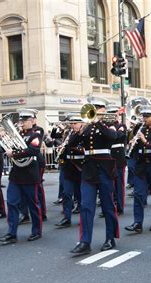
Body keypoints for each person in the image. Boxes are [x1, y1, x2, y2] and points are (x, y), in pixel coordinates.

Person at [69, 96, 119, 254]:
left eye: (97, 107)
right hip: (89, 169)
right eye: (93, 108)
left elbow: (112, 137)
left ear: (103, 109)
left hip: (105, 169)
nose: (95, 110)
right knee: (86, 206)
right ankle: (85, 241)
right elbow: (71, 145)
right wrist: (79, 131)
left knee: (107, 206)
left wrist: (97, 121)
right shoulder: (87, 127)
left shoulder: (111, 124)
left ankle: (110, 238)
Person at [0, 109, 44, 244]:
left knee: (33, 204)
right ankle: (11, 233)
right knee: (11, 203)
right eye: (20, 121)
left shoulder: (35, 135)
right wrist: (3, 137)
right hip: (16, 174)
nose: (21, 123)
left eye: (25, 121)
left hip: (30, 174)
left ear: (32, 121)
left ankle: (36, 231)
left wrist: (15, 154)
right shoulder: (15, 135)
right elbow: (3, 149)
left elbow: (33, 151)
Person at [124, 105, 151, 233]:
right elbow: (135, 150)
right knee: (138, 194)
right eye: (143, 116)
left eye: (147, 116)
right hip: (141, 165)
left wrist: (145, 141)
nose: (144, 118)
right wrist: (132, 143)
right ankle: (137, 222)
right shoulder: (138, 129)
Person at [55, 114, 84, 228]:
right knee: (66, 193)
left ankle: (83, 217)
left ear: (82, 123)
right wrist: (62, 150)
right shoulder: (69, 133)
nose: (73, 126)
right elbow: (55, 136)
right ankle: (67, 218)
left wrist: (70, 148)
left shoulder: (84, 134)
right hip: (69, 167)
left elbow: (84, 149)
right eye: (71, 123)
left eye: (75, 123)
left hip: (80, 167)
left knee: (81, 195)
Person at [107, 104, 127, 216]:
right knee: (109, 184)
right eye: (110, 114)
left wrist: (113, 129)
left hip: (118, 157)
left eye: (115, 114)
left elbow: (119, 136)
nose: (113, 116)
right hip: (108, 157)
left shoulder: (121, 125)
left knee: (119, 184)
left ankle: (119, 206)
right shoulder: (105, 126)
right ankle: (110, 205)